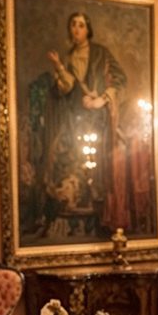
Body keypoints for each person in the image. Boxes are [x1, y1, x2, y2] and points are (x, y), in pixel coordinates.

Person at [42, 12, 127, 238]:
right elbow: (67, 88)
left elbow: (120, 79)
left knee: (99, 164)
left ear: (88, 29)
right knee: (66, 157)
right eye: (73, 25)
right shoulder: (70, 57)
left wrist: (101, 99)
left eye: (81, 25)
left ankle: (99, 217)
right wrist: (60, 66)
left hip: (98, 118)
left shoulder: (100, 53)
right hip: (75, 117)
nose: (76, 29)